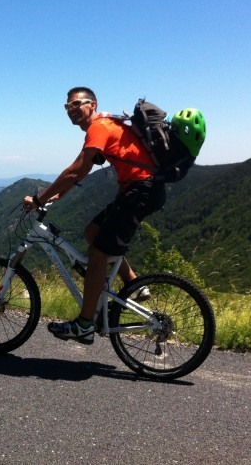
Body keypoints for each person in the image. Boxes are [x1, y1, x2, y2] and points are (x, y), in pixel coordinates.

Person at [23, 86, 166, 344]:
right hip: (141, 190)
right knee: (92, 232)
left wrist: (39, 199)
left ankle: (85, 324)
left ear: (93, 104)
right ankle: (134, 285)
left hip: (140, 190)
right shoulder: (107, 123)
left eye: (77, 104)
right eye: (68, 107)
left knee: (98, 253)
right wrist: (58, 196)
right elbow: (82, 171)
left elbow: (75, 170)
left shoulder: (98, 128)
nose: (71, 111)